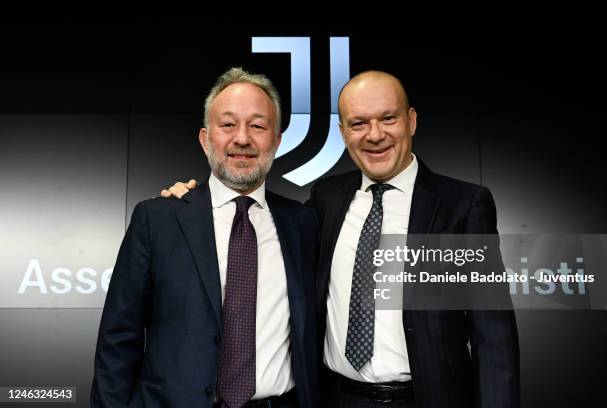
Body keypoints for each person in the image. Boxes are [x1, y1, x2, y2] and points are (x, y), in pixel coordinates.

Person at [163, 70, 519, 408]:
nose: (375, 134)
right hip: (334, 398)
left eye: (388, 118)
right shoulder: (326, 199)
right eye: (359, 123)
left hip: (427, 398)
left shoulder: (461, 204)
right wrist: (192, 200)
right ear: (343, 131)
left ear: (411, 120)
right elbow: (257, 218)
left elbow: (494, 337)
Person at [92, 67, 320, 408]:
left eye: (257, 125)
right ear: (204, 138)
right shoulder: (158, 219)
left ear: (277, 141)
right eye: (227, 125)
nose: (242, 138)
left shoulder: (303, 223)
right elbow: (118, 339)